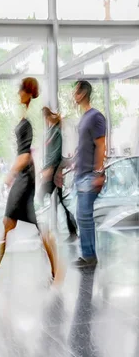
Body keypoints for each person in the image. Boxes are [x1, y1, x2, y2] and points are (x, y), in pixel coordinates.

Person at [0, 78, 58, 286]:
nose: (18, 93)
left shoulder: (28, 118)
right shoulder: (25, 114)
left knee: (8, 222)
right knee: (21, 223)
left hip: (24, 177)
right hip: (26, 176)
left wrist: (10, 175)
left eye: (20, 90)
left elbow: (25, 155)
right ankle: (53, 266)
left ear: (27, 92)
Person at [71, 80, 106, 268]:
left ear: (82, 93)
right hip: (81, 173)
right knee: (82, 216)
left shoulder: (95, 116)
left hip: (90, 175)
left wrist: (99, 173)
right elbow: (84, 146)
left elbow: (101, 145)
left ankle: (90, 256)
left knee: (84, 216)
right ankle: (88, 254)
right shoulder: (84, 117)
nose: (72, 95)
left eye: (74, 91)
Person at [38, 107, 78, 242]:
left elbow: (55, 153)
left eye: (45, 117)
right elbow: (48, 154)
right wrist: (44, 168)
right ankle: (72, 230)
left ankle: (39, 230)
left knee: (39, 198)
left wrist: (49, 169)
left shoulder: (56, 132)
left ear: (47, 117)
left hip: (53, 173)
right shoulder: (50, 131)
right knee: (59, 202)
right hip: (51, 171)